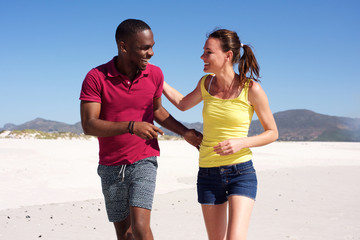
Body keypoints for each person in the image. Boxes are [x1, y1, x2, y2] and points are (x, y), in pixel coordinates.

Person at [79, 19, 202, 240]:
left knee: (140, 227)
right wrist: (131, 127)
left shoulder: (155, 75)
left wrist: (185, 132)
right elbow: (89, 124)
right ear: (124, 46)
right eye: (145, 47)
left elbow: (157, 111)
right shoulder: (96, 77)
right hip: (110, 165)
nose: (151, 53)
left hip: (144, 159)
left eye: (152, 46)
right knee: (123, 233)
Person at [163, 29, 278, 240]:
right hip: (208, 172)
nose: (202, 57)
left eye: (208, 52)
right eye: (203, 52)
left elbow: (272, 133)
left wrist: (242, 142)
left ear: (228, 56)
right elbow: (182, 103)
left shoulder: (251, 88)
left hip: (241, 172)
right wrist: (158, 79)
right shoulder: (205, 83)